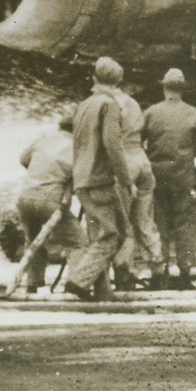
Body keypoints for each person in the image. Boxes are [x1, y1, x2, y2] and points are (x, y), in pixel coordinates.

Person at [63, 57, 133, 302]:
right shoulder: (109, 105)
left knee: (101, 236)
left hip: (82, 178)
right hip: (100, 179)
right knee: (116, 234)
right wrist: (125, 179)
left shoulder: (84, 104)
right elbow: (113, 144)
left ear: (94, 79)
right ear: (119, 81)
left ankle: (102, 290)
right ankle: (79, 280)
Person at [141, 68, 196, 290]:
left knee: (158, 226)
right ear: (182, 89)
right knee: (185, 225)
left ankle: (159, 273)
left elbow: (135, 141)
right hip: (184, 178)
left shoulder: (151, 113)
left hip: (156, 177)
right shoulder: (194, 114)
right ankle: (184, 275)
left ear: (164, 87)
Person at [16, 110, 85, 293]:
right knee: (77, 242)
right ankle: (76, 284)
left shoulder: (45, 138)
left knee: (33, 241)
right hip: (50, 199)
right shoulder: (77, 148)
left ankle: (32, 284)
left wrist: (41, 171)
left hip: (25, 196)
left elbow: (24, 159)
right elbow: (80, 178)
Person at [106, 72, 162, 290]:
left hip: (124, 163)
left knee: (124, 223)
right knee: (145, 221)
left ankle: (125, 273)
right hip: (142, 160)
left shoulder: (107, 104)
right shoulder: (133, 103)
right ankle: (157, 268)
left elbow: (110, 141)